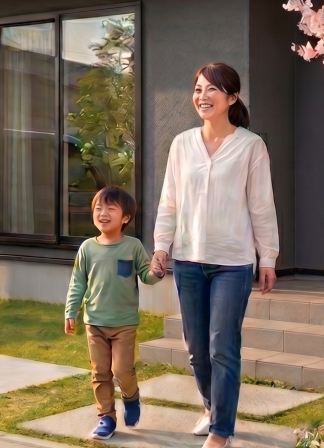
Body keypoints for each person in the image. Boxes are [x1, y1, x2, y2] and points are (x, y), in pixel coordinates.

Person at [151, 63, 279, 448]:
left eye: (212, 89)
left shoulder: (251, 146)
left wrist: (268, 257)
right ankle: (211, 407)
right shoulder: (182, 144)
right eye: (198, 89)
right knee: (196, 349)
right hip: (188, 260)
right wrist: (161, 245)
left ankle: (221, 431)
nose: (202, 96)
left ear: (232, 97)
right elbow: (169, 201)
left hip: (233, 263)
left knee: (223, 346)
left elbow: (261, 206)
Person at [65, 186, 162, 442]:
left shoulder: (133, 246)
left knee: (121, 370)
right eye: (98, 208)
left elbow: (147, 276)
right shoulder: (87, 248)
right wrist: (71, 311)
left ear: (125, 217)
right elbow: (77, 282)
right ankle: (106, 417)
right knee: (100, 373)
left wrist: (157, 272)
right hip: (95, 322)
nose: (103, 213)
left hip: (124, 324)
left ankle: (131, 397)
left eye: (110, 208)